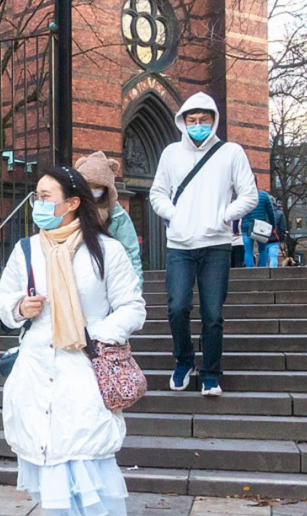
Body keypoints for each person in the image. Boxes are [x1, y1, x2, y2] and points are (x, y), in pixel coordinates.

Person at [0, 167, 146, 516]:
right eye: (37, 196)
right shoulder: (27, 250)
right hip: (37, 369)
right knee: (51, 463)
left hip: (84, 369)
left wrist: (95, 335)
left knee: (84, 459)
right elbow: (3, 298)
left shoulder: (106, 250)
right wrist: (19, 307)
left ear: (73, 203)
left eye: (46, 197)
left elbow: (132, 307)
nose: (38, 203)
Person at [149, 92, 258, 397]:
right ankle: (184, 361)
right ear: (182, 122)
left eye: (204, 120)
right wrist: (174, 215)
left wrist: (224, 215)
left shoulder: (231, 152)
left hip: (216, 245)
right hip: (180, 245)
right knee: (177, 307)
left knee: (212, 314)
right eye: (192, 120)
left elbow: (249, 194)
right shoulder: (171, 153)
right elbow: (157, 193)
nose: (197, 125)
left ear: (214, 120)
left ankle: (211, 372)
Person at [74, 151, 143, 284]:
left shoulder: (118, 216)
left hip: (112, 279)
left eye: (97, 186)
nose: (92, 190)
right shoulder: (71, 210)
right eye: (88, 185)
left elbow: (131, 253)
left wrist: (136, 285)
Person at [240, 190, 280, 268]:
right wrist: (273, 227)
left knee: (248, 251)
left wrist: (235, 228)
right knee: (262, 249)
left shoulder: (243, 195)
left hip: (246, 226)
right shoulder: (264, 195)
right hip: (261, 227)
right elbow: (270, 212)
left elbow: (239, 211)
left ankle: (250, 270)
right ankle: (262, 269)